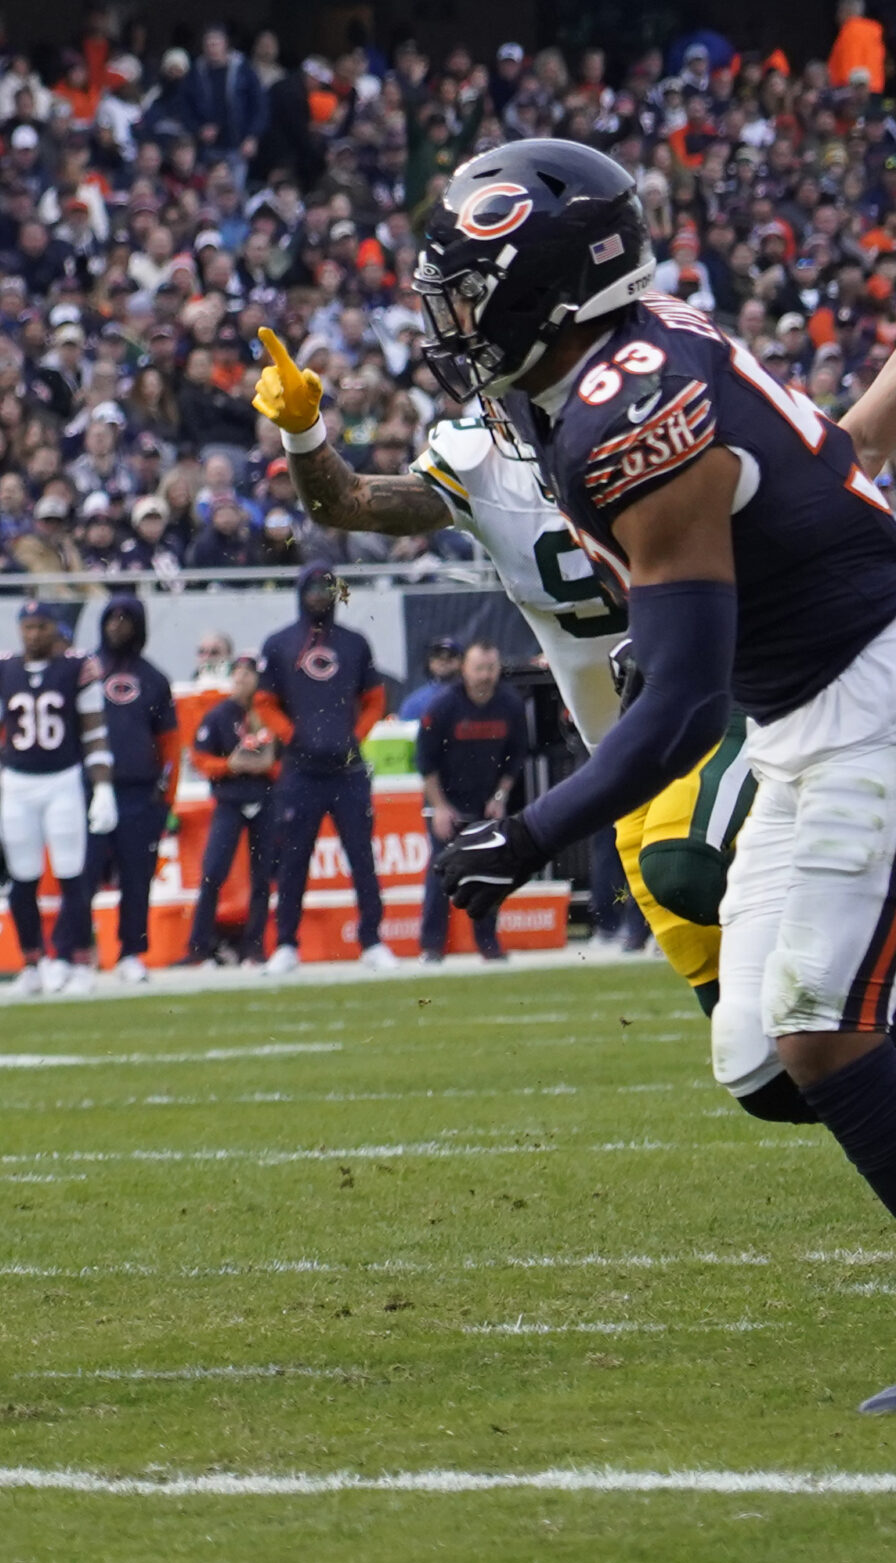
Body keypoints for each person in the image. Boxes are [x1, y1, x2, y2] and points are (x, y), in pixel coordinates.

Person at [418, 143, 896, 1372]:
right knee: (755, 1049)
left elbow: (683, 701)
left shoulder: (627, 407)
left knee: (816, 1025)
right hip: (803, 709)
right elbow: (821, 469)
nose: (455, 319)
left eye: (471, 290)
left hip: (867, 690)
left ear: (540, 290)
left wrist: (525, 833)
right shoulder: (636, 347)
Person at [259, 319, 785, 1113]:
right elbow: (349, 501)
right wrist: (305, 433)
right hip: (627, 749)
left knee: (690, 869)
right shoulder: (475, 458)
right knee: (761, 1073)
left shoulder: (639, 406)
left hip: (725, 690)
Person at [252, 564, 399, 974]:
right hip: (300, 770)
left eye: (326, 588)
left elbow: (374, 698)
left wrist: (356, 735)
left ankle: (372, 940)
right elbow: (265, 701)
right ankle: (285, 944)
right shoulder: (280, 644)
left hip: (347, 771)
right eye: (312, 588)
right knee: (293, 860)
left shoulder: (354, 643)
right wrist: (292, 735)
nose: (319, 595)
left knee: (362, 858)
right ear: (300, 591)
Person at [0, 600, 112, 995]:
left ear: (56, 630)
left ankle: (79, 960)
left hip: (63, 779)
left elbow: (95, 734)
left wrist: (103, 788)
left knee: (71, 874)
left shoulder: (77, 667)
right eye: (28, 627)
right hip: (17, 783)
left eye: (42, 627)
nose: (34, 634)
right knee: (23, 878)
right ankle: (33, 962)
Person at [64, 594, 178, 983]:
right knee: (81, 875)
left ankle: (131, 951)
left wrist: (166, 799)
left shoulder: (154, 678)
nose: (117, 625)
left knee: (137, 876)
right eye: (111, 617)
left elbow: (170, 744)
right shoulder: (81, 671)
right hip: (89, 789)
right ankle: (77, 952)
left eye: (126, 618)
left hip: (138, 792)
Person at [414, 641, 526, 962]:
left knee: (489, 873)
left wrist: (500, 797)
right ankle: (432, 946)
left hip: (487, 802)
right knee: (443, 873)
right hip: (446, 799)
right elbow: (426, 761)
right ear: (464, 668)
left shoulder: (510, 704)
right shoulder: (443, 706)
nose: (485, 676)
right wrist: (439, 807)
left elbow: (516, 757)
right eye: (479, 668)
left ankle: (488, 945)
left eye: (491, 668)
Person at [181, 653, 278, 965]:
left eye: (248, 674)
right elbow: (200, 757)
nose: (242, 679)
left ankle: (255, 947)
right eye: (237, 673)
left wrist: (269, 767)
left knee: (263, 876)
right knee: (213, 872)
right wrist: (228, 766)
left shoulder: (271, 713)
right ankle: (199, 946)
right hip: (230, 799)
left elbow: (287, 756)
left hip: (264, 798)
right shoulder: (220, 714)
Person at [397, 637, 463, 720]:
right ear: (430, 662)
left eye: (451, 656)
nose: (443, 661)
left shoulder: (474, 696)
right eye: (437, 655)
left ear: (462, 662)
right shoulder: (415, 702)